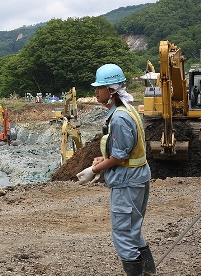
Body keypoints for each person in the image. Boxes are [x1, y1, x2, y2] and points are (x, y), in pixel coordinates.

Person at [76, 64, 156, 276]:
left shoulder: (119, 118)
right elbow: (126, 149)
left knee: (123, 232)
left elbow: (120, 156)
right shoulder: (127, 110)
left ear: (111, 90)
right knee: (133, 228)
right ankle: (149, 272)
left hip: (127, 181)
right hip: (137, 176)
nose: (95, 92)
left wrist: (94, 170)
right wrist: (104, 159)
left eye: (99, 88)